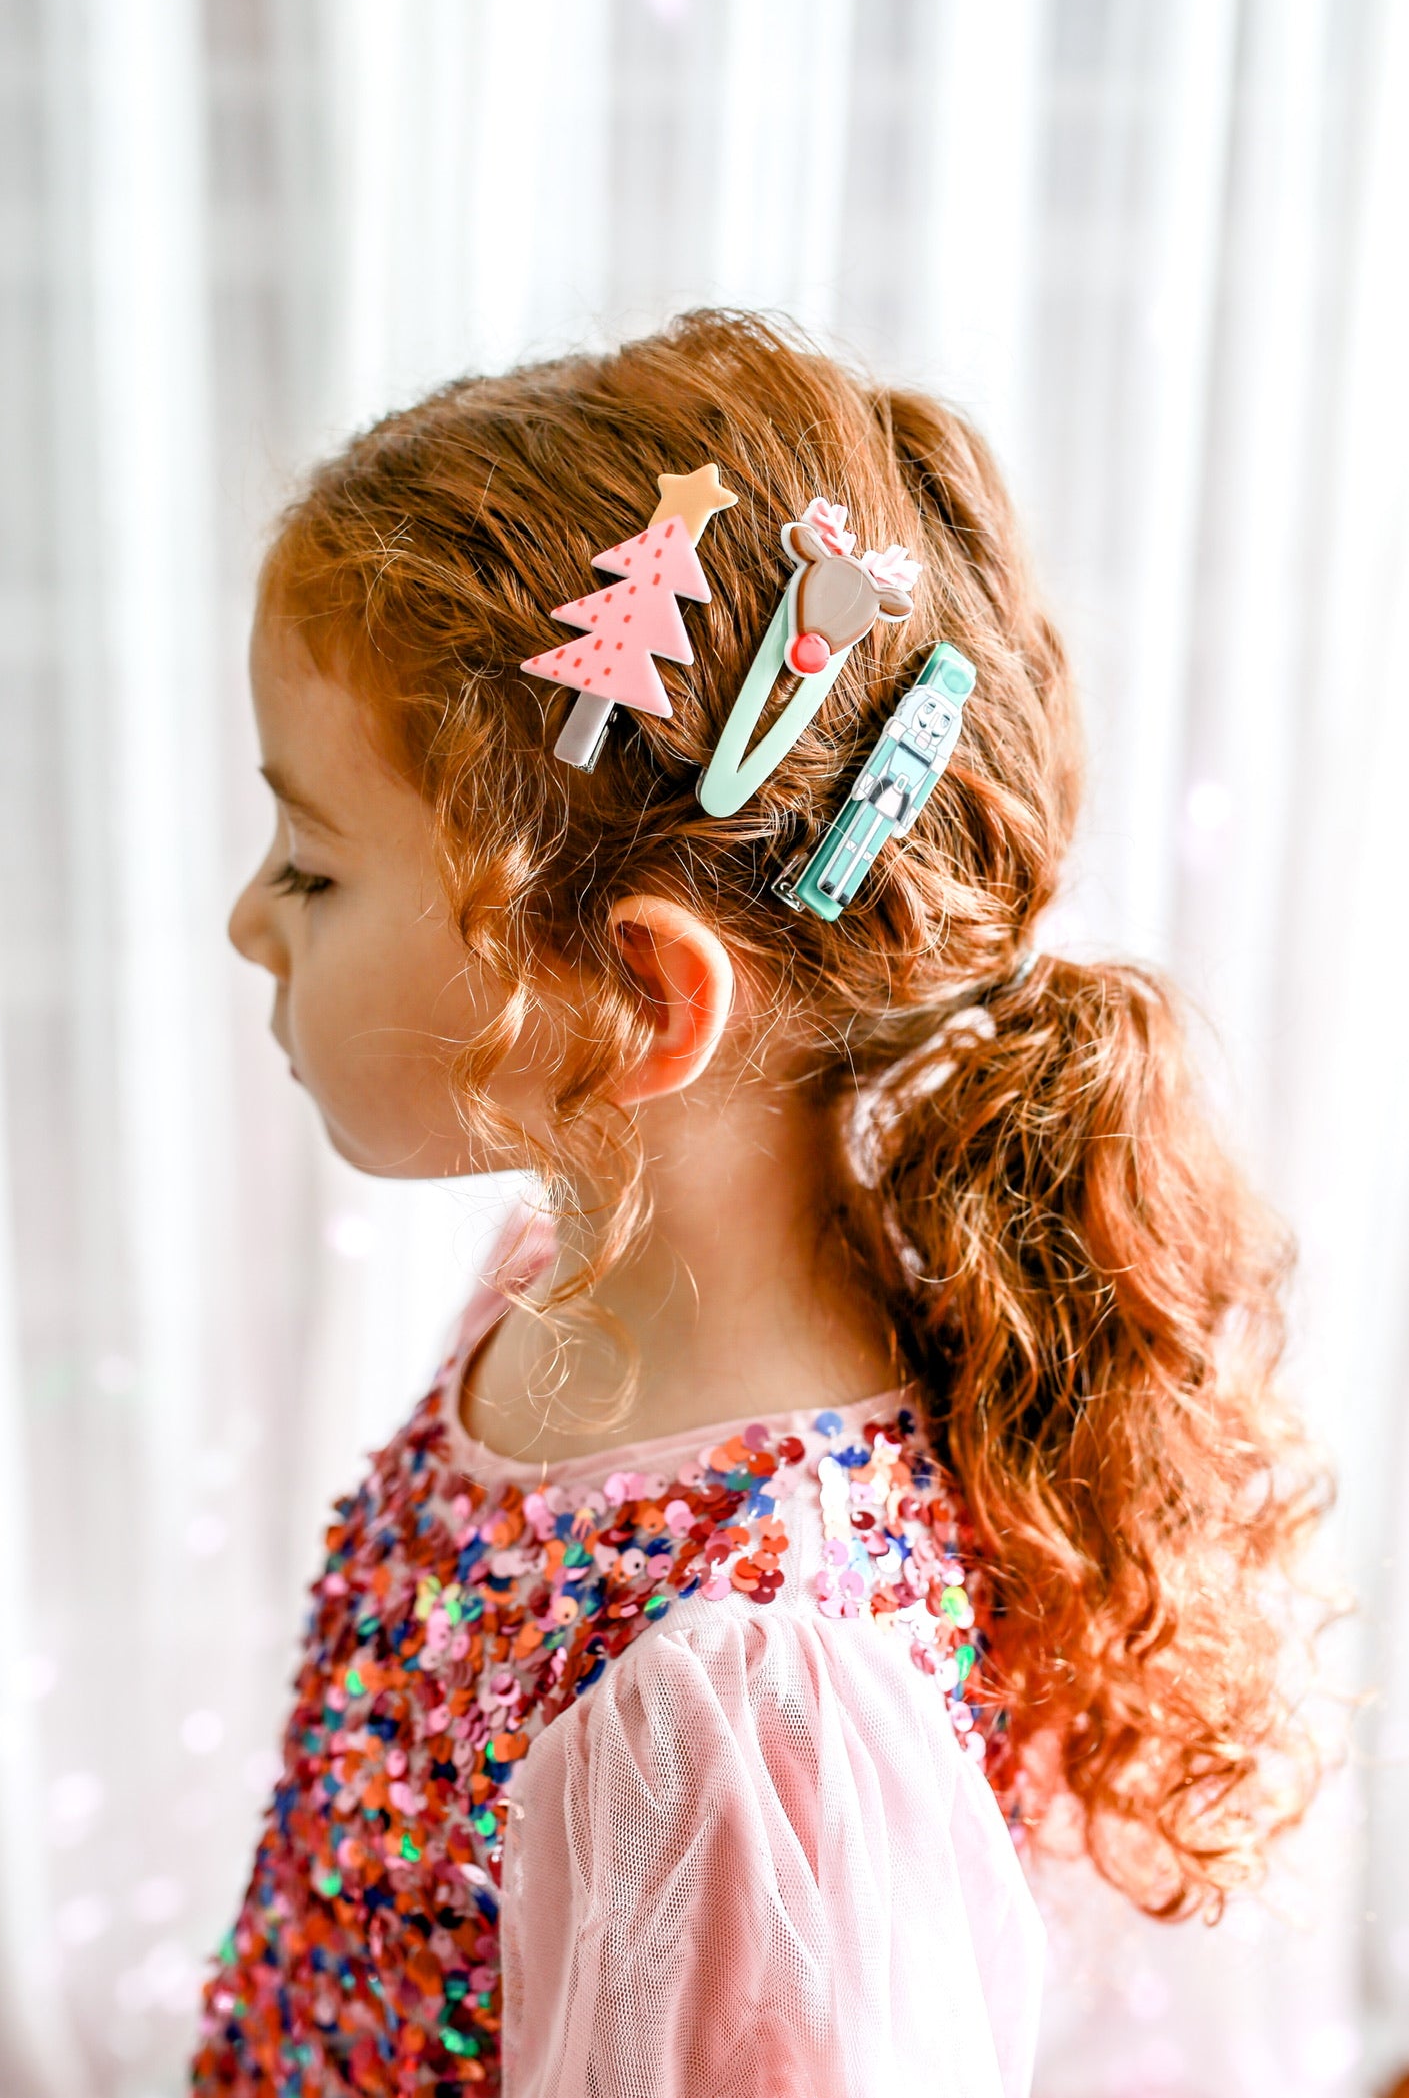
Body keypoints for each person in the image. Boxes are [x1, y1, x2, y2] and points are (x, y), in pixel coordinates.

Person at [193, 312, 1324, 2096]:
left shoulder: (738, 1692)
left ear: (642, 997)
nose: (249, 920)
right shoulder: (553, 1292)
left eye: (315, 865)